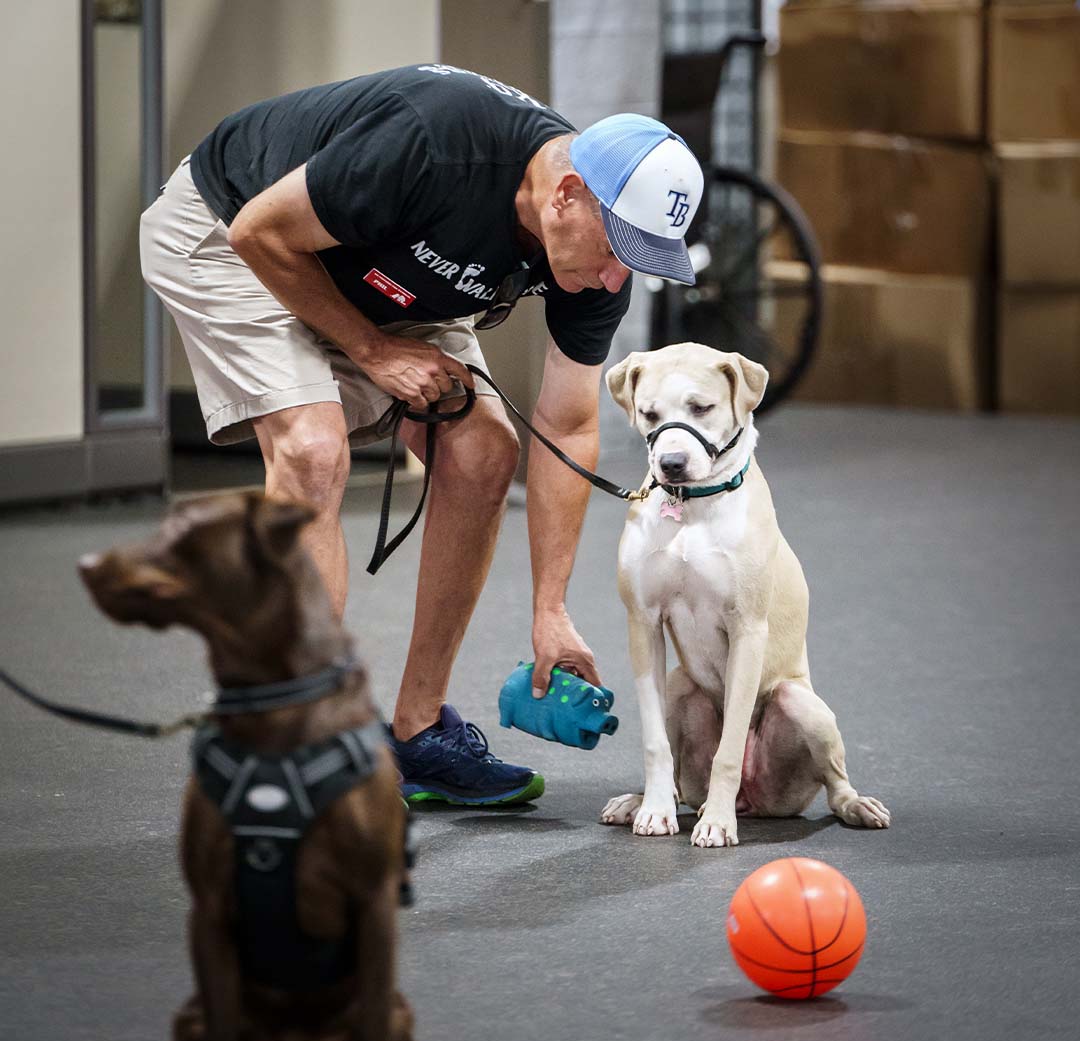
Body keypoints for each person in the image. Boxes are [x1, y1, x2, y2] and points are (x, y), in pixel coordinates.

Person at [140, 63, 703, 807]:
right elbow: (262, 233)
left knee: (483, 451)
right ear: (567, 195)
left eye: (632, 261)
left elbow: (567, 421)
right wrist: (373, 353)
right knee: (312, 450)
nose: (612, 281)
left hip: (385, 268)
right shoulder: (435, 143)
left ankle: (418, 731)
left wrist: (550, 608)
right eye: (614, 250)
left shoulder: (600, 260)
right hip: (235, 231)